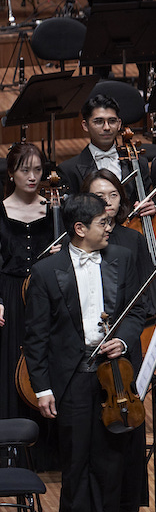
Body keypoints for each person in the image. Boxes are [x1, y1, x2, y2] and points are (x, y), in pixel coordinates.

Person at [24, 192, 149, 512]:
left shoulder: (123, 259)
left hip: (113, 376)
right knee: (76, 460)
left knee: (109, 460)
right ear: (79, 229)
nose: (110, 227)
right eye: (102, 223)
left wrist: (124, 339)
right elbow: (36, 337)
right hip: (71, 378)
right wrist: (42, 387)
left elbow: (136, 309)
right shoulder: (46, 272)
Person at [82, 169, 156, 512]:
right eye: (99, 197)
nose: (107, 204)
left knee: (126, 421)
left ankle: (124, 500)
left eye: (112, 196)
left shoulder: (132, 241)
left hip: (124, 349)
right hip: (85, 350)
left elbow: (144, 302)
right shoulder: (73, 242)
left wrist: (124, 339)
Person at [0, 144, 61, 427]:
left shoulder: (55, 210)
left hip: (43, 296)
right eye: (25, 170)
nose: (33, 176)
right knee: (11, 363)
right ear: (12, 173)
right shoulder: (0, 212)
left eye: (38, 169)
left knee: (44, 362)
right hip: (10, 295)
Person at [58, 94, 153, 204]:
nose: (107, 127)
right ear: (85, 125)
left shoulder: (139, 163)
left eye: (112, 121)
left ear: (119, 124)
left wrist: (153, 208)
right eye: (99, 121)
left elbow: (150, 202)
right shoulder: (69, 170)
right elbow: (69, 213)